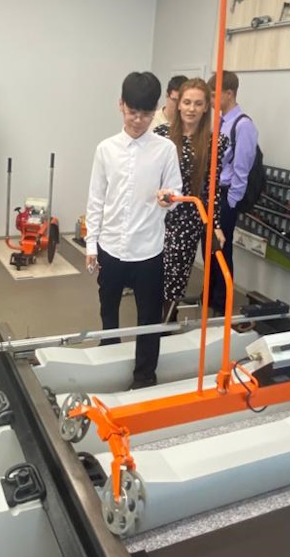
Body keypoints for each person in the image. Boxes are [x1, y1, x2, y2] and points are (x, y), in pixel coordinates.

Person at [85, 71, 182, 390]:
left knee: (148, 317)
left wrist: (169, 199)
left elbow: (176, 193)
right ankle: (109, 358)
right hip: (111, 247)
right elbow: (96, 199)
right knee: (108, 309)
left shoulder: (165, 149)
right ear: (120, 105)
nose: (138, 121)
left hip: (148, 251)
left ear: (155, 111)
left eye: (145, 114)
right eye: (132, 112)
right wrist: (91, 245)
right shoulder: (105, 149)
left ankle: (144, 376)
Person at [154, 78, 227, 323]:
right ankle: (154, 320)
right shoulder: (161, 135)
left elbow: (213, 188)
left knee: (176, 275)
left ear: (206, 107)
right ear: (178, 104)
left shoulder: (214, 142)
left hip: (188, 220)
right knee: (153, 272)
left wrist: (215, 225)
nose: (191, 108)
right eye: (187, 102)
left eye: (198, 103)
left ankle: (166, 320)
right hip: (159, 215)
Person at [204, 70, 258, 315]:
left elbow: (241, 170)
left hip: (227, 196)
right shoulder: (221, 122)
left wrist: (231, 203)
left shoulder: (243, 125)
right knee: (209, 247)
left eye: (214, 95)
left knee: (221, 249)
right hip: (213, 193)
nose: (211, 100)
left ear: (229, 93)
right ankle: (209, 295)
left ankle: (221, 302)